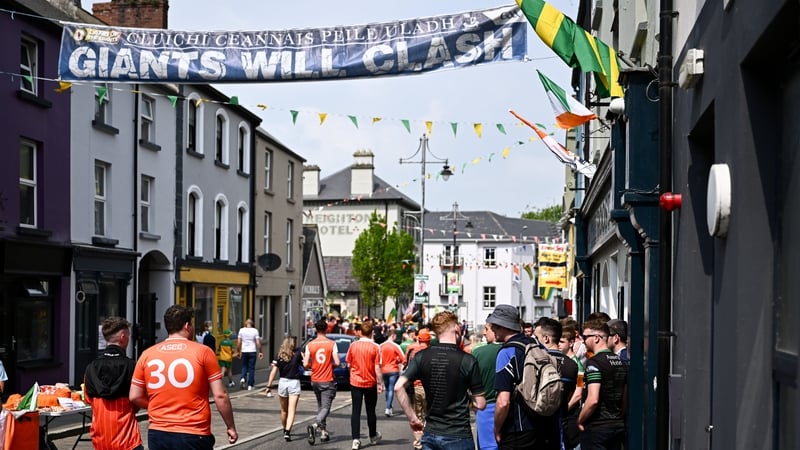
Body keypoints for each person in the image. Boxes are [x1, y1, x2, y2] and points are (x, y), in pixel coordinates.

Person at [130, 305, 237, 449]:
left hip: (158, 432)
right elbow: (220, 395)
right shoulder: (203, 352)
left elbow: (134, 396)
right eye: (191, 324)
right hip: (193, 431)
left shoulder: (147, 355)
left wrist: (154, 406)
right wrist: (230, 426)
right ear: (187, 326)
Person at [395, 310, 486, 450]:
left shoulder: (421, 357)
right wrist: (467, 399)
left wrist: (413, 418)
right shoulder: (468, 360)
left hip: (430, 433)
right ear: (456, 328)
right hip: (458, 434)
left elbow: (398, 387)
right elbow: (480, 404)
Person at [489, 304, 559, 450]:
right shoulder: (536, 345)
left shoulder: (507, 352)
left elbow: (503, 402)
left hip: (516, 429)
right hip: (542, 424)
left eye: (494, 326)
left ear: (503, 326)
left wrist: (496, 428)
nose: (492, 329)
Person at [83, 316, 142, 450]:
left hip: (101, 440)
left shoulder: (91, 368)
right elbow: (138, 399)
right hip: (128, 440)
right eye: (128, 336)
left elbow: (88, 399)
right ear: (122, 337)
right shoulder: (133, 367)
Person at [578, 319, 628, 450]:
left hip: (597, 427)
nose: (583, 340)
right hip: (617, 426)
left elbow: (593, 399)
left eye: (585, 336)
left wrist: (580, 419)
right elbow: (624, 398)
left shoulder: (594, 363)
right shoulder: (620, 361)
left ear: (596, 338)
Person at [534, 317, 578, 449]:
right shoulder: (572, 365)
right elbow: (572, 393)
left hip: (538, 424)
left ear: (546, 339)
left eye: (536, 338)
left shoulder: (537, 362)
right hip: (562, 423)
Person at [346, 320, 383, 450]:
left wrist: (353, 374)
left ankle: (356, 439)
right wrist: (380, 383)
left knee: (356, 411)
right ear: (372, 332)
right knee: (370, 410)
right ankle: (372, 436)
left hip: (355, 381)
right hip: (370, 382)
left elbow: (349, 364)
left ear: (360, 332)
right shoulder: (376, 347)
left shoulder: (353, 346)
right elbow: (377, 368)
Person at [303, 319, 341, 444]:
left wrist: (312, 366)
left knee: (320, 406)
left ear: (315, 330)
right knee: (326, 408)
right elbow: (338, 362)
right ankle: (315, 426)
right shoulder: (331, 344)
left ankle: (324, 432)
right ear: (326, 330)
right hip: (327, 379)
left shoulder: (310, 344)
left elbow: (305, 364)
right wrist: (330, 365)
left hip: (315, 379)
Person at [265, 336, 303, 442]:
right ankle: (287, 431)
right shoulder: (298, 354)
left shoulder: (280, 355)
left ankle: (284, 429)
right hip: (294, 382)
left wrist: (269, 386)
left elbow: (273, 371)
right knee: (292, 410)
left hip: (282, 382)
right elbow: (305, 365)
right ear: (293, 344)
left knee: (283, 410)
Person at [471, 320, 502, 450]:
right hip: (511, 408)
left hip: (485, 407)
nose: (484, 332)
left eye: (486, 329)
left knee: (487, 446)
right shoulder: (515, 350)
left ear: (495, 330)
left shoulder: (478, 353)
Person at [403, 327, 432, 450]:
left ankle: (418, 442)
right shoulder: (432, 351)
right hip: (429, 387)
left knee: (417, 416)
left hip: (415, 386)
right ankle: (428, 440)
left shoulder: (411, 349)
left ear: (418, 339)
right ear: (429, 340)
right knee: (429, 415)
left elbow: (405, 364)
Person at [558, 323, 584, 450]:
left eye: (562, 341)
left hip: (570, 416)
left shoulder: (578, 365)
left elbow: (579, 392)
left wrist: (565, 408)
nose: (558, 344)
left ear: (571, 342)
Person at [380, 329, 407, 417]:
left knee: (387, 389)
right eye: (395, 336)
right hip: (393, 370)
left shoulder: (381, 346)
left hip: (384, 370)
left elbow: (378, 359)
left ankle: (389, 406)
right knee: (391, 388)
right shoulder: (395, 346)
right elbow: (403, 359)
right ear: (393, 336)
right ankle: (388, 408)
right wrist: (398, 361)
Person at [237, 318, 263, 390]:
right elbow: (257, 342)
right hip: (252, 351)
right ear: (252, 323)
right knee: (251, 368)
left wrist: (238, 351)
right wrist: (260, 351)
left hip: (244, 351)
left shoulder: (241, 330)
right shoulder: (255, 331)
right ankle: (250, 385)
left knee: (244, 366)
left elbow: (239, 342)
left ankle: (243, 378)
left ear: (246, 323)